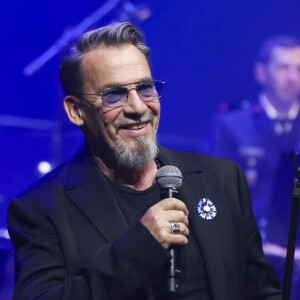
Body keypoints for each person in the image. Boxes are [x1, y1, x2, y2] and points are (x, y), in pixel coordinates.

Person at [8, 22, 282, 300]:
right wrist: (141, 245)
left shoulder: (222, 180)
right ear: (76, 110)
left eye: (146, 88)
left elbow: (262, 292)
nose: (138, 107)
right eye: (113, 94)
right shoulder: (41, 209)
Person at [206, 35, 300, 288]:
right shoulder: (232, 125)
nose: (292, 77)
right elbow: (213, 195)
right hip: (248, 251)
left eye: (299, 69)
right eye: (283, 67)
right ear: (261, 72)